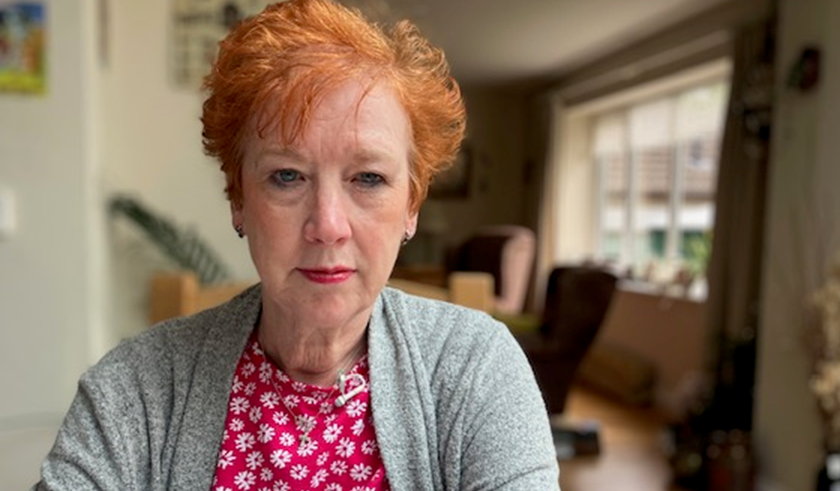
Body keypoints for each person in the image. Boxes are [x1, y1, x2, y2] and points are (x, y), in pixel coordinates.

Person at [33, 0, 559, 489]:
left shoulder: (475, 368)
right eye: (287, 176)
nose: (328, 224)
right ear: (239, 199)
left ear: (412, 206)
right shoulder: (138, 390)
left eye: (368, 178)